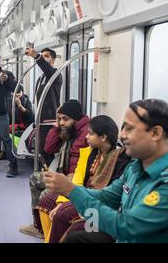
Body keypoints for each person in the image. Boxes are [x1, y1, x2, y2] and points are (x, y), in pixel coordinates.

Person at [45, 99, 168, 243]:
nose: (122, 135)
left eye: (129, 128)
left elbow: (125, 226)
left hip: (124, 233)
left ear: (155, 133)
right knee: (76, 239)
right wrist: (69, 188)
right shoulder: (135, 167)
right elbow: (106, 196)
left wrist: (71, 190)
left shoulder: (164, 185)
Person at [35, 115, 131, 242]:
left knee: (62, 215)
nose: (86, 137)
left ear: (103, 137)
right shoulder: (92, 153)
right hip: (87, 194)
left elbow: (108, 197)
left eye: (90, 134)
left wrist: (73, 197)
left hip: (100, 204)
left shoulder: (120, 160)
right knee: (46, 200)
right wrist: (72, 194)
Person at [20, 99, 89, 238]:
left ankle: (49, 231)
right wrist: (57, 126)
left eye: (65, 119)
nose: (62, 122)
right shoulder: (69, 129)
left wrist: (68, 181)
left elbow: (79, 163)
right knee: (35, 179)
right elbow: (49, 148)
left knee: (47, 192)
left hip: (76, 179)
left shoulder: (85, 133)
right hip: (64, 174)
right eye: (60, 118)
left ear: (75, 118)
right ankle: (38, 225)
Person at [25, 47, 63, 165]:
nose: (43, 58)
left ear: (53, 60)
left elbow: (48, 70)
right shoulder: (41, 78)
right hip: (41, 120)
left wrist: (37, 57)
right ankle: (43, 174)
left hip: (50, 121)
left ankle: (48, 177)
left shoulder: (56, 75)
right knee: (41, 150)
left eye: (46, 56)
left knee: (47, 150)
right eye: (42, 56)